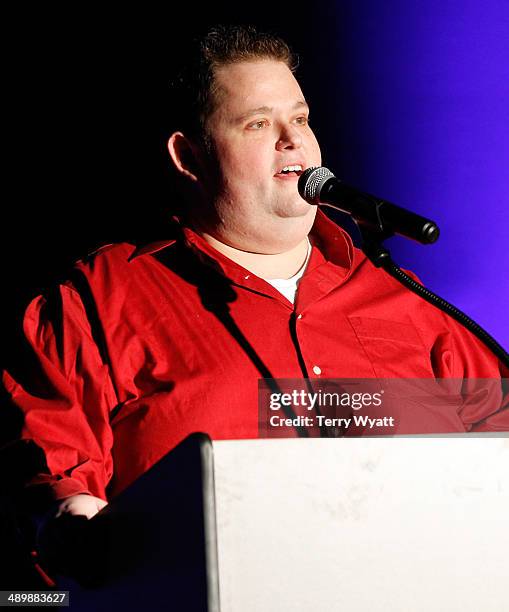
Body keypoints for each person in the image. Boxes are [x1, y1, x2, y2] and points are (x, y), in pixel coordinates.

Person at [1, 25, 508, 543]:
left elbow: (499, 445)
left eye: (301, 118)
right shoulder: (100, 300)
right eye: (258, 123)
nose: (292, 140)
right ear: (190, 157)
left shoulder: (404, 298)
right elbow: (53, 472)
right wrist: (73, 528)